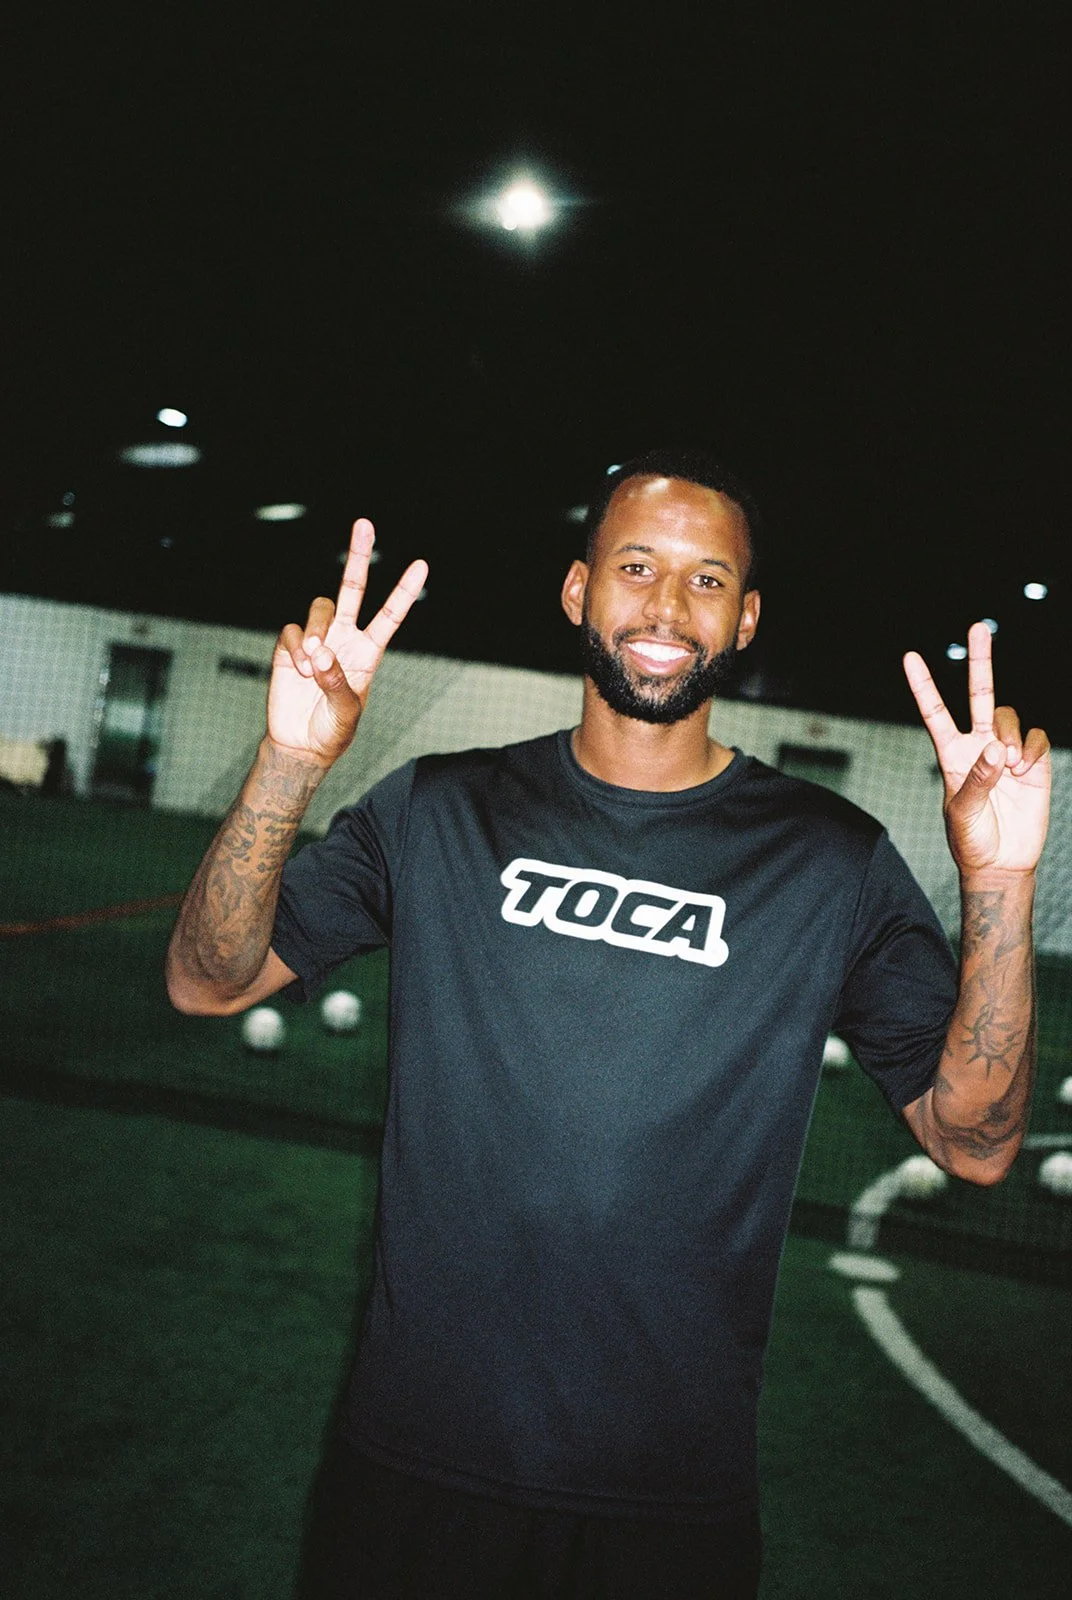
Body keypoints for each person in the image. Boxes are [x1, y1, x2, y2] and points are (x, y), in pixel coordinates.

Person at [166, 450, 1051, 1599]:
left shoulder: (831, 862)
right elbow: (207, 979)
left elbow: (974, 1141)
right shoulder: (436, 809)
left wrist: (1000, 880)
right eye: (636, 566)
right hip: (412, 1465)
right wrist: (289, 762)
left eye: (706, 578)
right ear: (578, 589)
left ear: (744, 620)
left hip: (666, 1502)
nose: (667, 606)